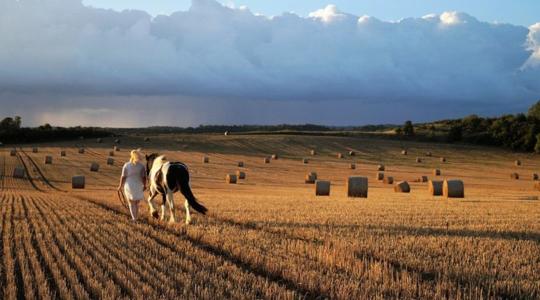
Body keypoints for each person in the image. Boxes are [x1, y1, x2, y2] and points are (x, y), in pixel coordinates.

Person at [118, 149, 147, 221]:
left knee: (131, 203)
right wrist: (144, 185)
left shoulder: (126, 165)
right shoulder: (141, 166)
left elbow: (123, 176)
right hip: (138, 185)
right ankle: (136, 217)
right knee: (136, 203)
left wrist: (120, 185)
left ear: (131, 156)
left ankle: (134, 218)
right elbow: (144, 177)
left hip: (129, 185)